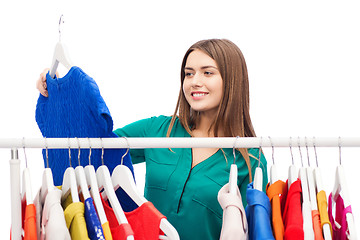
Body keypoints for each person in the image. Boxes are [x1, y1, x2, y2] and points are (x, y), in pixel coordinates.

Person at [37, 38, 268, 240]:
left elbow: (253, 232)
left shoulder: (250, 159)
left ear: (232, 81)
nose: (195, 81)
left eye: (207, 72)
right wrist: (61, 92)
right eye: (189, 73)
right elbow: (95, 147)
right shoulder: (158, 129)